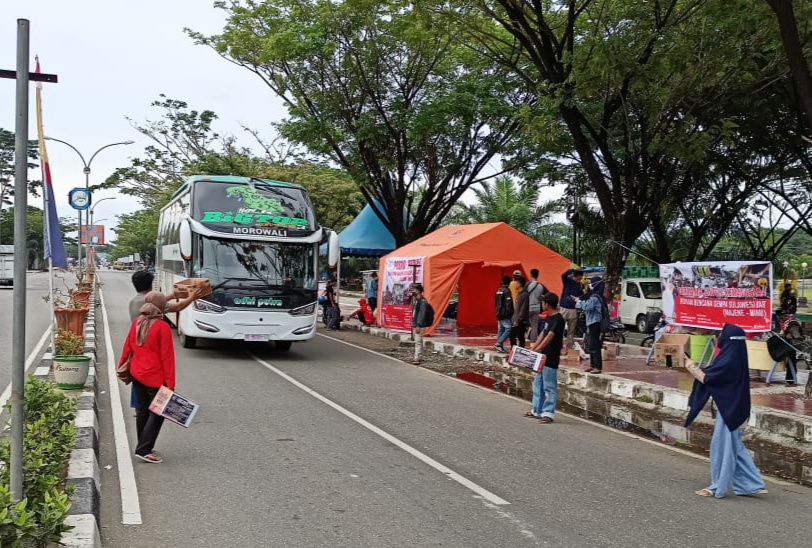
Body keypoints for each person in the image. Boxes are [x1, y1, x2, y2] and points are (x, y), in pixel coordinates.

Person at [684, 324, 767, 498]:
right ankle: (752, 484)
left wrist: (690, 365)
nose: (719, 339)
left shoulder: (729, 359)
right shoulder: (736, 356)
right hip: (737, 409)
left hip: (729, 411)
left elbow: (709, 378)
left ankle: (717, 487)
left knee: (721, 449)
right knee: (735, 448)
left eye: (722, 335)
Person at [128, 271, 202, 414]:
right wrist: (191, 298)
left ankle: (140, 409)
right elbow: (176, 308)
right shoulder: (152, 311)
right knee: (153, 380)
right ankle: (154, 409)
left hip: (138, 346)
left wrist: (172, 295)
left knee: (138, 381)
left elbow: (156, 301)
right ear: (151, 286)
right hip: (151, 347)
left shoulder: (134, 301)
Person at [119, 291, 176, 464]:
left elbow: (127, 348)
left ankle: (144, 445)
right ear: (160, 307)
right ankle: (144, 449)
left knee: (143, 410)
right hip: (155, 378)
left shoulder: (137, 322)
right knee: (158, 412)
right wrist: (170, 384)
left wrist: (121, 367)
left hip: (137, 374)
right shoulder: (162, 327)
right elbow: (167, 358)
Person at [527, 293, 565, 423]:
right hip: (542, 356)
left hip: (551, 356)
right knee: (538, 384)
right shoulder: (549, 317)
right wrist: (534, 348)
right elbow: (543, 333)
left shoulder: (558, 319)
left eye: (543, 302)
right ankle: (537, 410)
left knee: (549, 386)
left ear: (547, 304)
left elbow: (550, 336)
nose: (542, 304)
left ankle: (548, 413)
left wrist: (537, 349)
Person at [574, 277, 605, 374]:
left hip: (594, 323)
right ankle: (592, 365)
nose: (589, 285)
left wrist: (578, 301)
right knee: (591, 345)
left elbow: (588, 307)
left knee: (595, 345)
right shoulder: (594, 295)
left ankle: (598, 367)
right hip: (591, 322)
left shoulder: (595, 297)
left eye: (591, 283)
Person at [560, 267, 585, 352]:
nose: (580, 280)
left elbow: (582, 296)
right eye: (579, 278)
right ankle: (558, 347)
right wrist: (572, 270)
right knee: (560, 329)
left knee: (571, 331)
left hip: (573, 310)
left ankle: (569, 349)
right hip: (564, 308)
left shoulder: (580, 285)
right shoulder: (568, 281)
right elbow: (563, 275)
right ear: (576, 276)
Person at [493, 275, 514, 353]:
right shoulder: (507, 291)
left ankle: (500, 347)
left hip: (498, 313)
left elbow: (496, 302)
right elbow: (508, 304)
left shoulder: (498, 290)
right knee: (509, 329)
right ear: (509, 283)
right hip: (504, 314)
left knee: (501, 329)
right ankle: (499, 343)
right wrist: (510, 313)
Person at [411, 284, 430, 365]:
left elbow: (422, 314)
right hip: (415, 323)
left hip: (419, 324)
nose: (413, 291)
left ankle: (417, 358)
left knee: (418, 341)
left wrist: (418, 325)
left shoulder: (422, 301)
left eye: (414, 289)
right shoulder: (416, 300)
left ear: (418, 291)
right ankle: (420, 356)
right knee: (419, 340)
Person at [526, 269, 546, 342]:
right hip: (537, 307)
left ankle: (524, 339)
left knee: (524, 324)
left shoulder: (528, 285)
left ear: (531, 275)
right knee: (535, 326)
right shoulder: (541, 286)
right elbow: (542, 297)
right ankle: (533, 341)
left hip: (528, 307)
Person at [510, 277, 529, 349]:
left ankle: (519, 351)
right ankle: (514, 350)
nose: (514, 284)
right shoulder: (519, 294)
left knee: (519, 337)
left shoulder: (525, 295)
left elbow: (523, 309)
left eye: (516, 283)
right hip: (516, 319)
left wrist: (518, 320)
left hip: (520, 321)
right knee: (514, 336)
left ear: (520, 284)